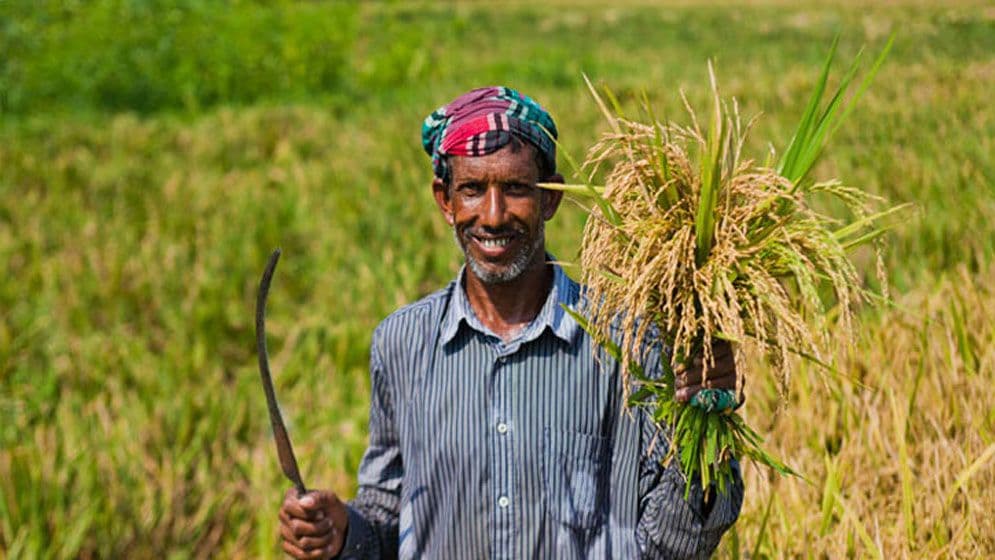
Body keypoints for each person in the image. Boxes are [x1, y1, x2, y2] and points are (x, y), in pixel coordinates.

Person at [278, 87, 744, 559]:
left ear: (550, 198)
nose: (494, 215)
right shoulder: (402, 343)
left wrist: (705, 422)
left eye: (516, 189)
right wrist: (343, 533)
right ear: (445, 200)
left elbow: (674, 544)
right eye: (473, 189)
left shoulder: (627, 343)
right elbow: (390, 514)